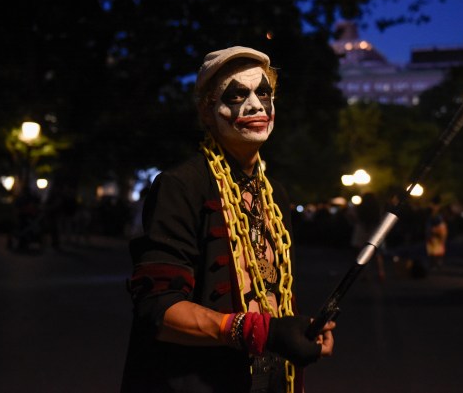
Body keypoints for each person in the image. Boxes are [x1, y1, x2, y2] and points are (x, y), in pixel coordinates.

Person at [121, 46, 335, 393]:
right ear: (207, 111)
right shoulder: (181, 185)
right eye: (237, 95)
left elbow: (271, 293)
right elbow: (157, 310)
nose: (255, 106)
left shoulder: (275, 194)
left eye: (263, 93)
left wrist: (298, 330)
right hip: (200, 381)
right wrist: (259, 331)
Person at [424, 195, 448, 270]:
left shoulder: (438, 215)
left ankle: (436, 263)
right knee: (432, 249)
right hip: (432, 232)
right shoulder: (431, 214)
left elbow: (441, 226)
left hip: (436, 233)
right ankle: (434, 263)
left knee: (436, 250)